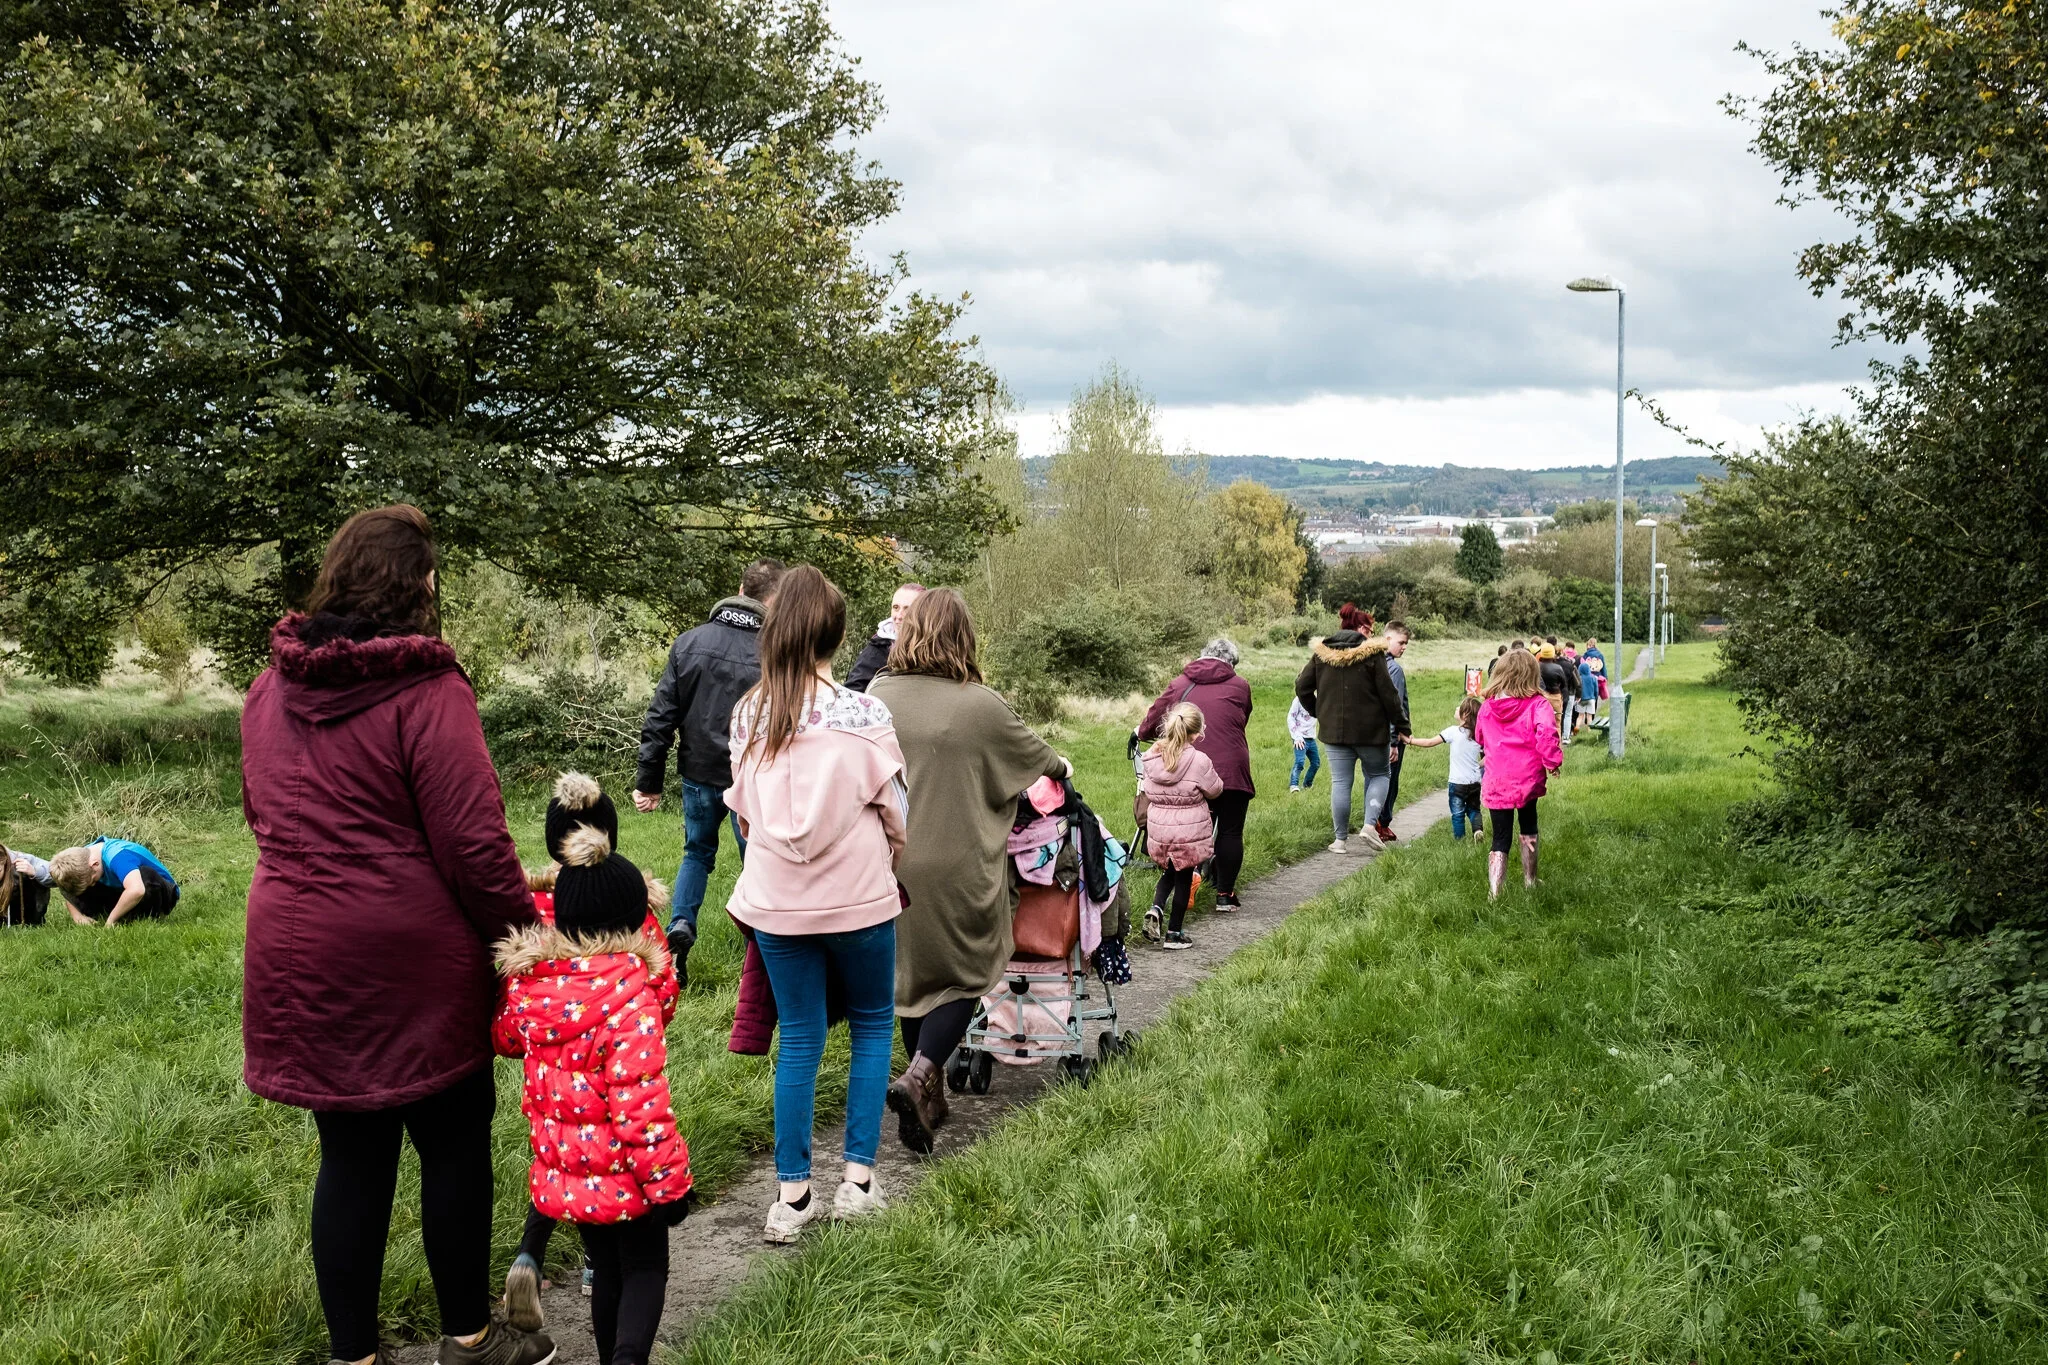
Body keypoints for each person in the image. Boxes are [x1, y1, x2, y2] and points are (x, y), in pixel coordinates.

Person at [240, 505, 552, 1365]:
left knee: (349, 1154)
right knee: (453, 1143)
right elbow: (473, 842)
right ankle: (470, 1337)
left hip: (298, 948)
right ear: (416, 585)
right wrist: (528, 940)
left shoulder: (269, 689)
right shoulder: (427, 690)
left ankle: (354, 1356)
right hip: (409, 959)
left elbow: (259, 811)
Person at [724, 566, 906, 1239]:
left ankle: (791, 1194)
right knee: (872, 1023)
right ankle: (857, 1181)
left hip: (776, 901)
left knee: (798, 1035)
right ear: (837, 633)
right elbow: (897, 813)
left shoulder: (749, 714)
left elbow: (743, 817)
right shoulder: (866, 713)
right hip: (859, 898)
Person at [493, 774, 691, 1365]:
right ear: (633, 922)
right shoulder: (632, 999)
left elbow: (503, 1036)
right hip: (630, 1168)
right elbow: (642, 1107)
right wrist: (670, 1187)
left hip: (570, 1168)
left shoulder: (533, 993)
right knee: (646, 1266)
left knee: (605, 1268)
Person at [869, 590, 1069, 1154]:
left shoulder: (877, 693)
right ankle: (921, 1073)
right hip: (958, 866)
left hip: (890, 861)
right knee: (968, 970)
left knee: (913, 976)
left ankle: (926, 1097)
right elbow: (1046, 761)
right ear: (964, 637)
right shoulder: (980, 704)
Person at [633, 558, 786, 983]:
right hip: (751, 777)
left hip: (699, 774)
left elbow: (661, 716)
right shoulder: (775, 652)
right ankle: (763, 961)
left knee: (697, 853)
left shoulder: (689, 642)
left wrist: (649, 782)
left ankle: (680, 927)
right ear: (772, 600)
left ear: (740, 588)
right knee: (757, 862)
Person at [1137, 637, 1253, 910]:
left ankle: (1184, 884)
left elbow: (1152, 722)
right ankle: (1225, 895)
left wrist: (1143, 734)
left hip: (1187, 767)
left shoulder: (1179, 684)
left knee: (1189, 828)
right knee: (1231, 831)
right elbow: (1242, 718)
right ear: (1231, 663)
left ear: (1202, 656)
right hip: (1231, 769)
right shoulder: (1240, 686)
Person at [1294, 617, 1409, 855]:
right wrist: (1402, 725)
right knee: (1379, 774)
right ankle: (1369, 825)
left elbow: (1302, 686)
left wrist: (1319, 712)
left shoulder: (1321, 655)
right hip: (1371, 732)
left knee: (1341, 782)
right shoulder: (1373, 654)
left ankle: (1339, 841)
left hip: (1334, 734)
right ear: (1362, 633)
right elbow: (1389, 694)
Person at [1476, 650, 1565, 900]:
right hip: (1527, 779)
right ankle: (1529, 879)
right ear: (1531, 675)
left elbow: (1480, 737)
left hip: (1497, 781)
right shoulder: (1538, 705)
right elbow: (1547, 735)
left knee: (1500, 836)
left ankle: (1495, 892)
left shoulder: (1487, 707)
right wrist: (1552, 761)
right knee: (1529, 825)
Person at [1137, 702, 1224, 950]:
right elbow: (1215, 789)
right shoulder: (1199, 760)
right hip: (1188, 829)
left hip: (1160, 828)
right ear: (1195, 733)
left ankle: (1156, 908)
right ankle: (1174, 933)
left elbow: (1149, 789)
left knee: (1168, 872)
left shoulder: (1152, 757)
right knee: (1184, 877)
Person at [46, 836, 179, 924]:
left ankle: (145, 917)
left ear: (95, 864)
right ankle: (124, 916)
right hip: (119, 890)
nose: (92, 884)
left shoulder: (117, 856)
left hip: (161, 893)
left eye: (92, 880)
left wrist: (111, 921)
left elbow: (136, 890)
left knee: (144, 876)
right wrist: (78, 917)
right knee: (68, 880)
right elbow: (68, 888)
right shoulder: (82, 856)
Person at [1405, 698, 1485, 840]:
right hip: (1474, 781)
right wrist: (1477, 765)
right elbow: (1489, 756)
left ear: (1465, 714)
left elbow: (1429, 742)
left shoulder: (1453, 732)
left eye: (1459, 707)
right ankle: (1477, 830)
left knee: (1457, 813)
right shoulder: (1478, 736)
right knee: (1474, 809)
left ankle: (1459, 839)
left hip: (1457, 783)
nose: (1456, 708)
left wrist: (1410, 741)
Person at [1374, 621, 1414, 844]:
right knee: (1390, 780)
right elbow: (1394, 706)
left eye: (1406, 643)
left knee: (1376, 779)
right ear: (1388, 639)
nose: (1404, 647)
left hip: (1372, 734)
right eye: (1401, 642)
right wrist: (1393, 741)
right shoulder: (1394, 669)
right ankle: (1382, 823)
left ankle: (1373, 821)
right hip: (1391, 737)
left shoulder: (1375, 664)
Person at [845, 582, 925, 692]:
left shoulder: (938, 648)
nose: (899, 616)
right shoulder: (878, 648)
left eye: (907, 609)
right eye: (896, 608)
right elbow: (853, 692)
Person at [3, 845, 53, 927]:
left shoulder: (19, 859)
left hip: (23, 909)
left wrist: (35, 872)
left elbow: (55, 873)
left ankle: (32, 923)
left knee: (32, 877)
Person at [1286, 694, 1320, 792]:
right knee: (1300, 762)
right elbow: (1290, 718)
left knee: (1316, 763)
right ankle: (1294, 785)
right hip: (1300, 738)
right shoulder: (1298, 700)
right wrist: (1297, 737)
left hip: (1311, 738)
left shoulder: (1317, 699)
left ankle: (1307, 784)